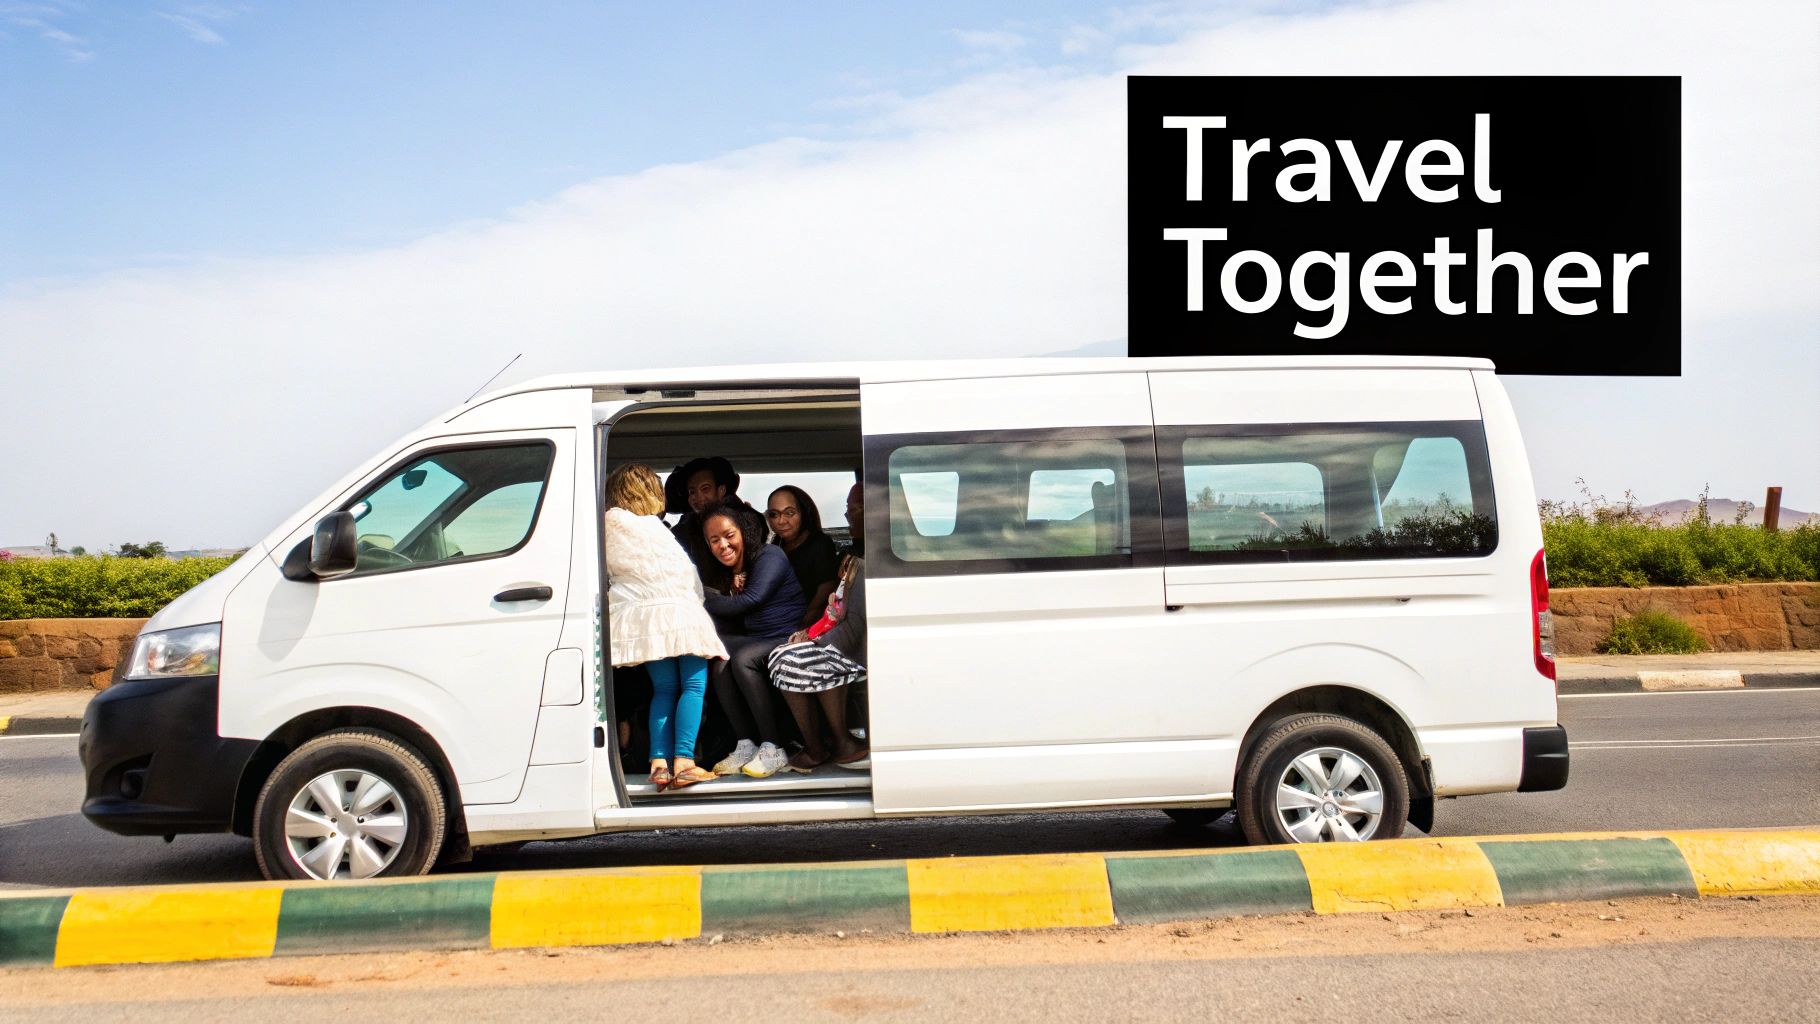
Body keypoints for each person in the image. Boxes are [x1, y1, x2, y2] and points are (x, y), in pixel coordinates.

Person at [602, 464, 728, 792]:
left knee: (664, 689)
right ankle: (684, 762)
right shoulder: (655, 528)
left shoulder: (606, 524)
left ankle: (659, 764)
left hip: (644, 619)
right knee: (693, 687)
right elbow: (686, 577)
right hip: (681, 614)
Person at [697, 500, 807, 779]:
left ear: (743, 532)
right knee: (720, 657)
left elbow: (752, 600)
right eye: (714, 540)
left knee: (743, 659)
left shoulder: (770, 556)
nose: (723, 545)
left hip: (787, 637)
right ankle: (746, 743)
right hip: (759, 638)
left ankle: (775, 747)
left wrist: (700, 597)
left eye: (729, 535)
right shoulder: (733, 569)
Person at [769, 547, 869, 771]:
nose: (849, 514)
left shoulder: (862, 567)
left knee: (789, 660)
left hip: (852, 649)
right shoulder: (853, 566)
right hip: (838, 641)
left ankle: (835, 744)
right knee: (781, 655)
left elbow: (855, 626)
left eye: (854, 510)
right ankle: (819, 744)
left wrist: (817, 642)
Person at [766, 485, 841, 626]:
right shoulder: (777, 544)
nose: (781, 521)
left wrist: (805, 621)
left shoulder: (819, 543)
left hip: (806, 624)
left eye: (789, 513)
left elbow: (826, 586)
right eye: (774, 514)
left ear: (803, 513)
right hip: (780, 619)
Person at [668, 456, 745, 569]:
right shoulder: (684, 531)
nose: (698, 497)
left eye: (705, 489)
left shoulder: (744, 521)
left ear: (721, 490)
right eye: (692, 492)